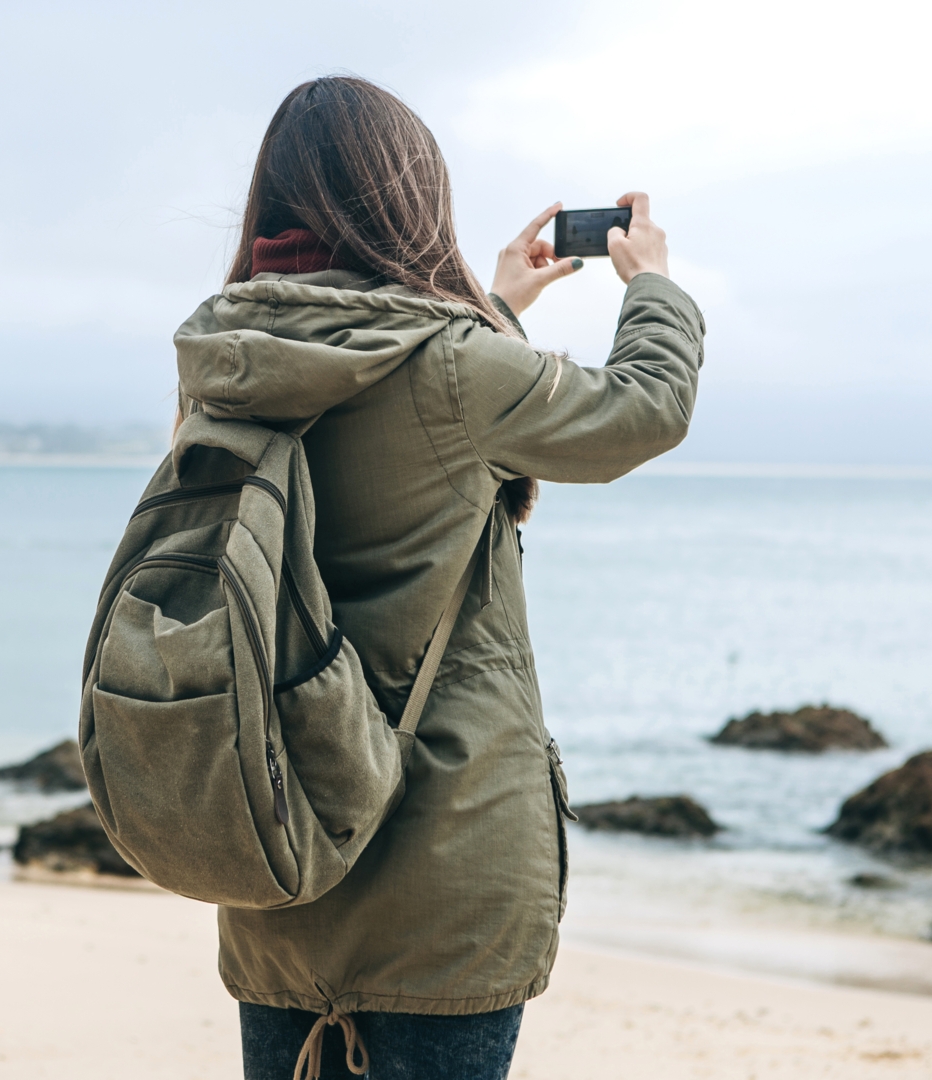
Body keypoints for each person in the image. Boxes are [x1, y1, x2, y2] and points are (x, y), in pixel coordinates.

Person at [172, 75, 705, 1080]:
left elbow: (389, 404)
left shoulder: (228, 362)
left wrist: (501, 302)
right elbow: (645, 408)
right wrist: (655, 287)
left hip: (280, 861)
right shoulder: (454, 365)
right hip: (446, 876)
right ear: (411, 201)